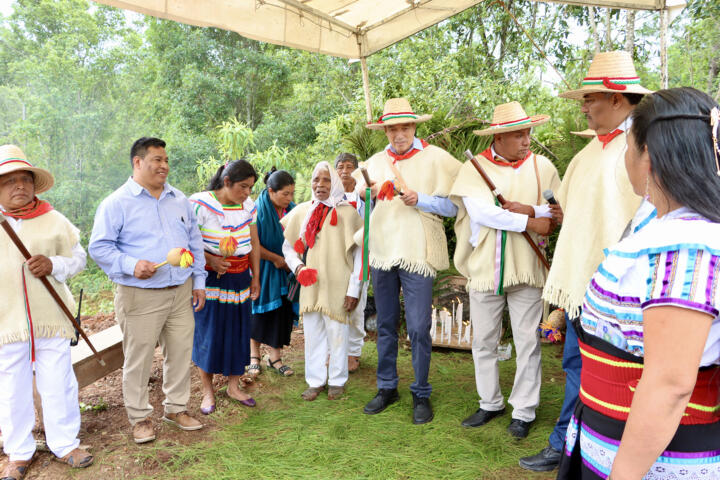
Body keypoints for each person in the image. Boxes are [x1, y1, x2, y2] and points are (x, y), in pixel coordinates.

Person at [558, 87, 720, 479]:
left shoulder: (686, 246)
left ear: (648, 155)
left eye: (629, 146)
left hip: (657, 460)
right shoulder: (669, 230)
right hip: (611, 438)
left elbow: (669, 385)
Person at [519, 51, 649, 471]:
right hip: (582, 287)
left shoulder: (643, 147)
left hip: (619, 289)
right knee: (578, 365)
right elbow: (573, 214)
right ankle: (569, 445)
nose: (584, 106)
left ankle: (598, 450)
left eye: (589, 97)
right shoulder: (589, 152)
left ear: (615, 99)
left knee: (613, 373)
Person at [451, 102, 560, 439]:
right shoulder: (474, 167)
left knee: (528, 341)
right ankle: (490, 403)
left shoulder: (543, 167)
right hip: (485, 268)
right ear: (498, 136)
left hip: (526, 268)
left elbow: (557, 213)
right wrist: (531, 220)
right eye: (518, 134)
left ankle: (524, 411)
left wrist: (541, 214)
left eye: (528, 133)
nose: (526, 140)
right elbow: (483, 214)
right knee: (483, 340)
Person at [89, 137, 207, 444]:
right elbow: (99, 246)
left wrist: (199, 282)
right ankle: (139, 417)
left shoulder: (179, 200)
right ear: (137, 162)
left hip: (180, 291)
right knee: (139, 358)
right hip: (139, 294)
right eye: (157, 159)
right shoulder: (116, 203)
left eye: (166, 160)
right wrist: (130, 264)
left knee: (180, 352)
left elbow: (195, 244)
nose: (164, 166)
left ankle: (176, 408)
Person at [354, 98, 462, 424]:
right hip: (383, 251)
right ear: (385, 130)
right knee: (385, 325)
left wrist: (422, 199)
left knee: (418, 327)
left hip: (418, 253)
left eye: (404, 127)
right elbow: (363, 209)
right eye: (392, 128)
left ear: (414, 127)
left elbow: (457, 206)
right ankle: (387, 387)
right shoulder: (373, 162)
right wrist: (365, 196)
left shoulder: (437, 159)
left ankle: (421, 392)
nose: (398, 134)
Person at [0, 145, 93, 479]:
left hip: (52, 318)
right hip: (6, 321)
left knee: (58, 382)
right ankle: (18, 452)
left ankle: (65, 444)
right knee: (12, 387)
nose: (19, 186)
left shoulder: (55, 220)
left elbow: (79, 258)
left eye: (24, 179)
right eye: (8, 181)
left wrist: (54, 264)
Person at [281, 162, 363, 401]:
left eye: (326, 180)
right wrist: (298, 268)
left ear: (335, 183)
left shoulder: (348, 213)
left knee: (338, 332)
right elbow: (288, 248)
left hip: (339, 284)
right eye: (316, 179)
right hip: (311, 284)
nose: (320, 185)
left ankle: (337, 381)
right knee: (313, 333)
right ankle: (315, 381)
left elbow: (359, 255)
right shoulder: (302, 212)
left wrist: (354, 289)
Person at [189, 160, 261, 415]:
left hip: (241, 278)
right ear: (226, 182)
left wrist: (256, 278)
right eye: (243, 187)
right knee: (208, 334)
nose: (247, 193)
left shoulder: (248, 206)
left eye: (251, 188)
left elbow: (253, 241)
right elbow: (187, 242)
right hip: (209, 280)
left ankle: (233, 385)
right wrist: (210, 260)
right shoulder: (200, 204)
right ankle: (207, 391)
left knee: (238, 332)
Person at [250, 168, 297, 378]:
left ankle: (275, 358)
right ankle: (254, 357)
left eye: (292, 194)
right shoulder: (257, 210)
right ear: (271, 191)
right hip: (263, 269)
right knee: (259, 312)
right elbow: (253, 244)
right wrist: (277, 259)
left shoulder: (293, 210)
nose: (289, 198)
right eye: (285, 193)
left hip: (287, 271)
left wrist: (291, 260)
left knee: (281, 314)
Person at [335, 152, 369, 373]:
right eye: (340, 166)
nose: (345, 171)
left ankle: (353, 353)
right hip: (336, 260)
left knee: (356, 307)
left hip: (359, 256)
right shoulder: (329, 197)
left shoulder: (365, 199)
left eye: (349, 167)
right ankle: (335, 352)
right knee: (335, 307)